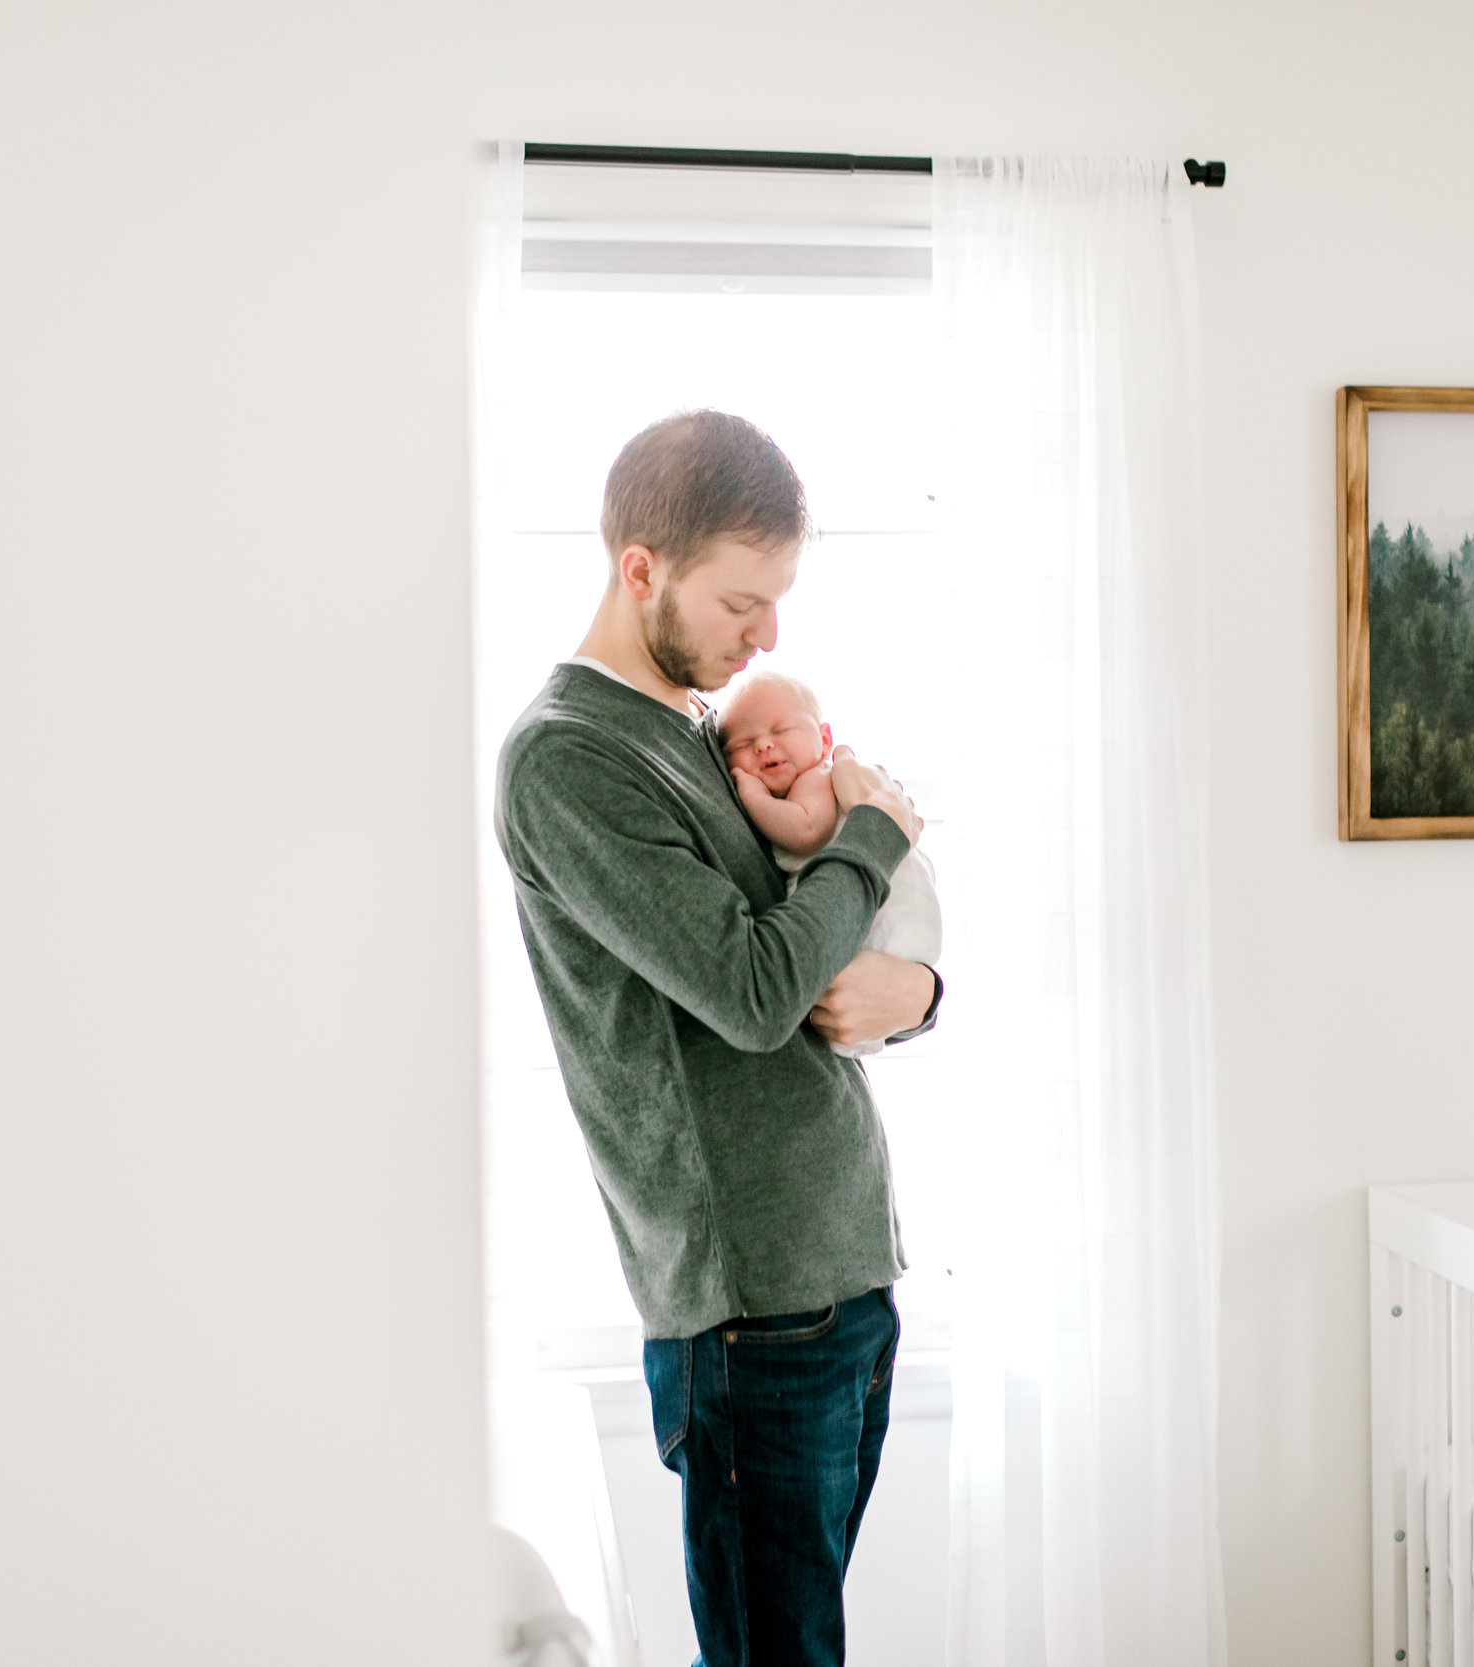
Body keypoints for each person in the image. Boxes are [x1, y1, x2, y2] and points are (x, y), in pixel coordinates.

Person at [492, 409, 941, 1667]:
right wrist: (871, 834)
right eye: (745, 600)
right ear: (641, 569)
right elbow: (753, 990)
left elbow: (817, 958)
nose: (770, 637)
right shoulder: (569, 762)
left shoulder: (694, 736)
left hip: (839, 1272)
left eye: (780, 598)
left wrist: (919, 989)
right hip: (752, 1312)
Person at [718, 670, 942, 1058]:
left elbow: (805, 830)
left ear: (824, 741)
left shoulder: (816, 780)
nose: (764, 745)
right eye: (744, 742)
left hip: (882, 919)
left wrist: (753, 796)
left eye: (780, 730)